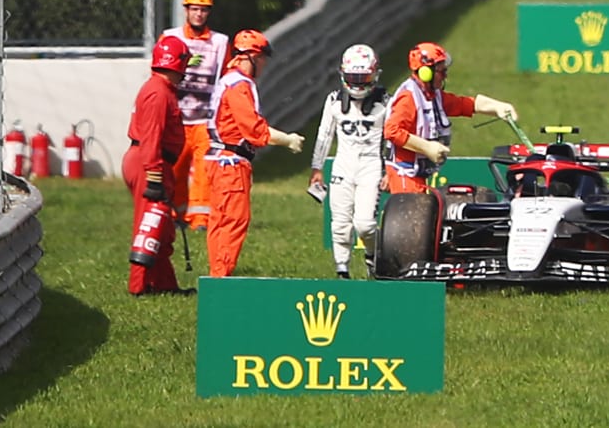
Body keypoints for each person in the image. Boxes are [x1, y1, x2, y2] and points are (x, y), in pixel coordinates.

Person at [204, 29, 305, 277]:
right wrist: (287, 140)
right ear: (251, 56)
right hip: (231, 163)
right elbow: (253, 129)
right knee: (233, 221)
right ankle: (222, 278)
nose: (264, 64)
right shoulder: (239, 86)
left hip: (219, 160)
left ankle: (218, 274)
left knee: (219, 222)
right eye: (262, 58)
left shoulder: (227, 80)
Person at [382, 42, 518, 194]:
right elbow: (391, 131)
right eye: (442, 71)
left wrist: (496, 107)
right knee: (413, 215)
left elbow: (461, 104)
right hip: (405, 175)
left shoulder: (432, 95)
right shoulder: (408, 98)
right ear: (426, 72)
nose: (445, 75)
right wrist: (427, 147)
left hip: (417, 173)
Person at [310, 44, 389, 279]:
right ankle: (341, 269)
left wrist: (389, 171)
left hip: (371, 165)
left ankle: (373, 255)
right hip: (343, 164)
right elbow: (324, 134)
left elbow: (393, 139)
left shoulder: (386, 101)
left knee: (364, 224)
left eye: (363, 77)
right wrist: (316, 167)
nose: (357, 83)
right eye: (353, 77)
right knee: (340, 223)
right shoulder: (333, 100)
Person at [122, 34, 192, 296]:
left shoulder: (160, 90)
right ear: (178, 63)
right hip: (149, 162)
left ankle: (164, 284)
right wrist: (153, 176)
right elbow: (151, 136)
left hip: (153, 162)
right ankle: (138, 287)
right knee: (149, 225)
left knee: (162, 230)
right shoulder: (158, 93)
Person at [162, 0, 230, 232]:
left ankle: (200, 219)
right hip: (178, 117)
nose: (199, 14)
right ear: (186, 11)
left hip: (205, 119)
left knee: (204, 170)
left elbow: (223, 76)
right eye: (195, 9)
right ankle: (174, 214)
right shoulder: (171, 37)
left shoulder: (220, 42)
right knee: (175, 167)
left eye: (203, 10)